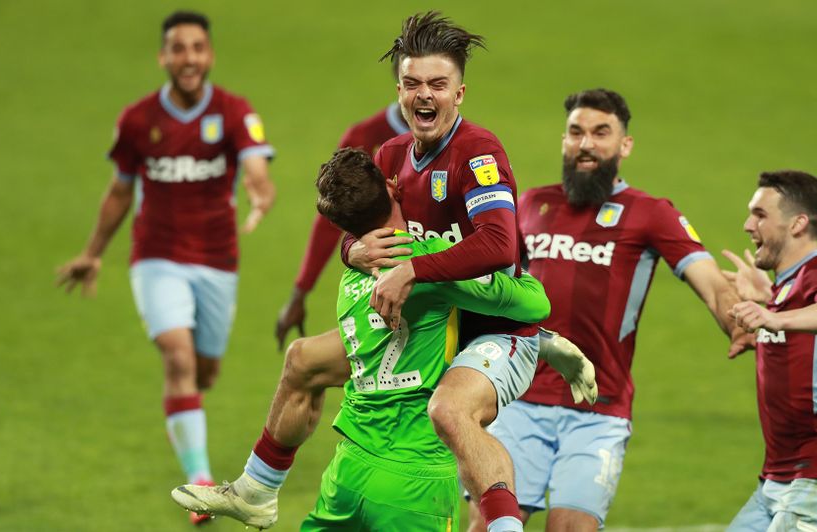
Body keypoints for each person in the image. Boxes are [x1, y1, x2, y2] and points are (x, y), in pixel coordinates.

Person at [171, 12, 594, 532]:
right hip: (432, 319)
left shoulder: (477, 153)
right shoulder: (390, 155)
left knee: (449, 411)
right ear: (399, 89)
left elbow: (499, 245)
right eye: (413, 83)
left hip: (494, 327)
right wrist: (353, 251)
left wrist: (412, 269)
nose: (424, 95)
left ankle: (507, 519)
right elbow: (364, 222)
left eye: (438, 84)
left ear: (459, 93)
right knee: (302, 360)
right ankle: (256, 491)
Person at [175, 147, 551, 529]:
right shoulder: (429, 264)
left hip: (349, 471)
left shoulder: (351, 276)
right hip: (415, 479)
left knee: (302, 358)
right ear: (391, 187)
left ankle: (257, 486)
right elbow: (535, 304)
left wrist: (352, 249)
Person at [467, 89, 747, 531]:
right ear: (564, 139)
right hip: (517, 398)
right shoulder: (529, 205)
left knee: (570, 527)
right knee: (490, 525)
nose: (586, 144)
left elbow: (711, 283)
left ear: (624, 145)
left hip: (599, 408)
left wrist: (739, 322)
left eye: (601, 133)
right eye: (576, 132)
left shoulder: (650, 213)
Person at [55, 10, 275, 526]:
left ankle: (188, 411)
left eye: (197, 48)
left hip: (217, 262)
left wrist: (260, 192)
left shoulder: (234, 111)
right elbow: (119, 192)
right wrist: (93, 252)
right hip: (156, 258)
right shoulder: (137, 121)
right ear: (163, 57)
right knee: (177, 358)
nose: (188, 58)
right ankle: (200, 480)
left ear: (210, 55)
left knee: (204, 370)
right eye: (178, 49)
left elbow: (256, 167)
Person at [723, 170, 817, 531]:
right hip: (776, 480)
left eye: (760, 215)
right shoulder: (786, 290)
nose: (747, 225)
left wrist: (773, 318)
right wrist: (769, 303)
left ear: (798, 224)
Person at [275, 61, 410, 349]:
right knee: (299, 358)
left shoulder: (456, 143)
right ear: (399, 78)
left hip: (437, 276)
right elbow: (335, 217)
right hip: (382, 285)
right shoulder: (365, 138)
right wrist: (301, 292)